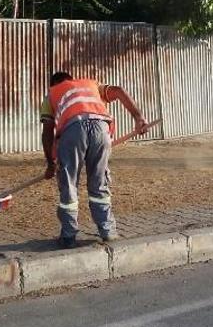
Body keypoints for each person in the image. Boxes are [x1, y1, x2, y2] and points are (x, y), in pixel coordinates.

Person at [40, 72, 148, 249]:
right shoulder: (90, 85)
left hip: (73, 130)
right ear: (71, 79)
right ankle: (108, 231)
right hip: (101, 128)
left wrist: (51, 163)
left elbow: (47, 131)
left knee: (69, 182)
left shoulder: (51, 93)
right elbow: (119, 90)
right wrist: (138, 117)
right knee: (99, 182)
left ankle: (68, 236)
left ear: (54, 84)